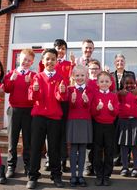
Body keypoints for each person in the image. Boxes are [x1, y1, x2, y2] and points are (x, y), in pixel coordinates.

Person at [26, 48, 67, 189]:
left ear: (56, 62)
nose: (50, 61)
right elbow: (32, 97)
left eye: (53, 59)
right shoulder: (37, 77)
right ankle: (33, 176)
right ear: (43, 61)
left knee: (54, 148)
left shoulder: (60, 78)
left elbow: (61, 98)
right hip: (39, 117)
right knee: (36, 147)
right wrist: (35, 90)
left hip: (54, 117)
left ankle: (56, 175)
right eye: (47, 59)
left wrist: (62, 92)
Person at [3, 49, 36, 178]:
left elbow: (35, 95)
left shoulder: (34, 76)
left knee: (28, 140)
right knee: (13, 140)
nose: (26, 62)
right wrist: (11, 80)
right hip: (14, 110)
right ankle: (11, 166)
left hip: (29, 111)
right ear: (18, 59)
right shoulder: (11, 73)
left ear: (32, 62)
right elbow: (6, 90)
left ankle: (28, 166)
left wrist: (30, 84)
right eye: (24, 59)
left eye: (29, 60)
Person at [44, 39, 75, 173]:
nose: (61, 51)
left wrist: (74, 65)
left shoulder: (69, 64)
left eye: (63, 49)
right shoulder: (49, 63)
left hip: (64, 101)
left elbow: (73, 80)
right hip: (50, 101)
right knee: (49, 133)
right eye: (58, 48)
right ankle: (49, 159)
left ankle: (62, 160)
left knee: (62, 131)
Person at [67, 65, 94, 187]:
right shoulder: (69, 89)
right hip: (73, 121)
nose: (79, 77)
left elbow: (90, 109)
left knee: (83, 150)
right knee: (73, 150)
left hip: (85, 122)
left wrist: (86, 100)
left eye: (82, 75)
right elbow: (69, 108)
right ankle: (73, 175)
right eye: (77, 75)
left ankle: (81, 175)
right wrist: (72, 101)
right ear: (73, 76)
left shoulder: (90, 90)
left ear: (86, 76)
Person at [91, 71, 119, 186]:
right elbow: (92, 112)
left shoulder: (113, 96)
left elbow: (116, 112)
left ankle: (106, 175)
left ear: (111, 83)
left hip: (109, 127)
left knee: (109, 151)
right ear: (97, 83)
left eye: (106, 81)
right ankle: (98, 175)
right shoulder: (95, 95)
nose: (104, 83)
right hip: (98, 126)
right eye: (101, 81)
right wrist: (97, 108)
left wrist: (112, 109)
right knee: (97, 151)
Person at [110, 54, 135, 166]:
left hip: (126, 108)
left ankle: (126, 158)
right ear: (114, 63)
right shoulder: (110, 75)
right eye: (117, 61)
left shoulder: (130, 74)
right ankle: (117, 156)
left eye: (122, 61)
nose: (120, 63)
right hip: (114, 108)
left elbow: (132, 89)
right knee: (116, 134)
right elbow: (110, 91)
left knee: (127, 135)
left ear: (125, 62)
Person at [117, 74, 137, 177]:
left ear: (135, 84)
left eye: (131, 83)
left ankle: (136, 167)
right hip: (123, 121)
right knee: (123, 146)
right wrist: (119, 93)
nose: (129, 85)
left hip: (135, 122)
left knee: (135, 146)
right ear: (123, 84)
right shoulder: (121, 94)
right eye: (127, 83)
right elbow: (116, 99)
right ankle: (124, 167)